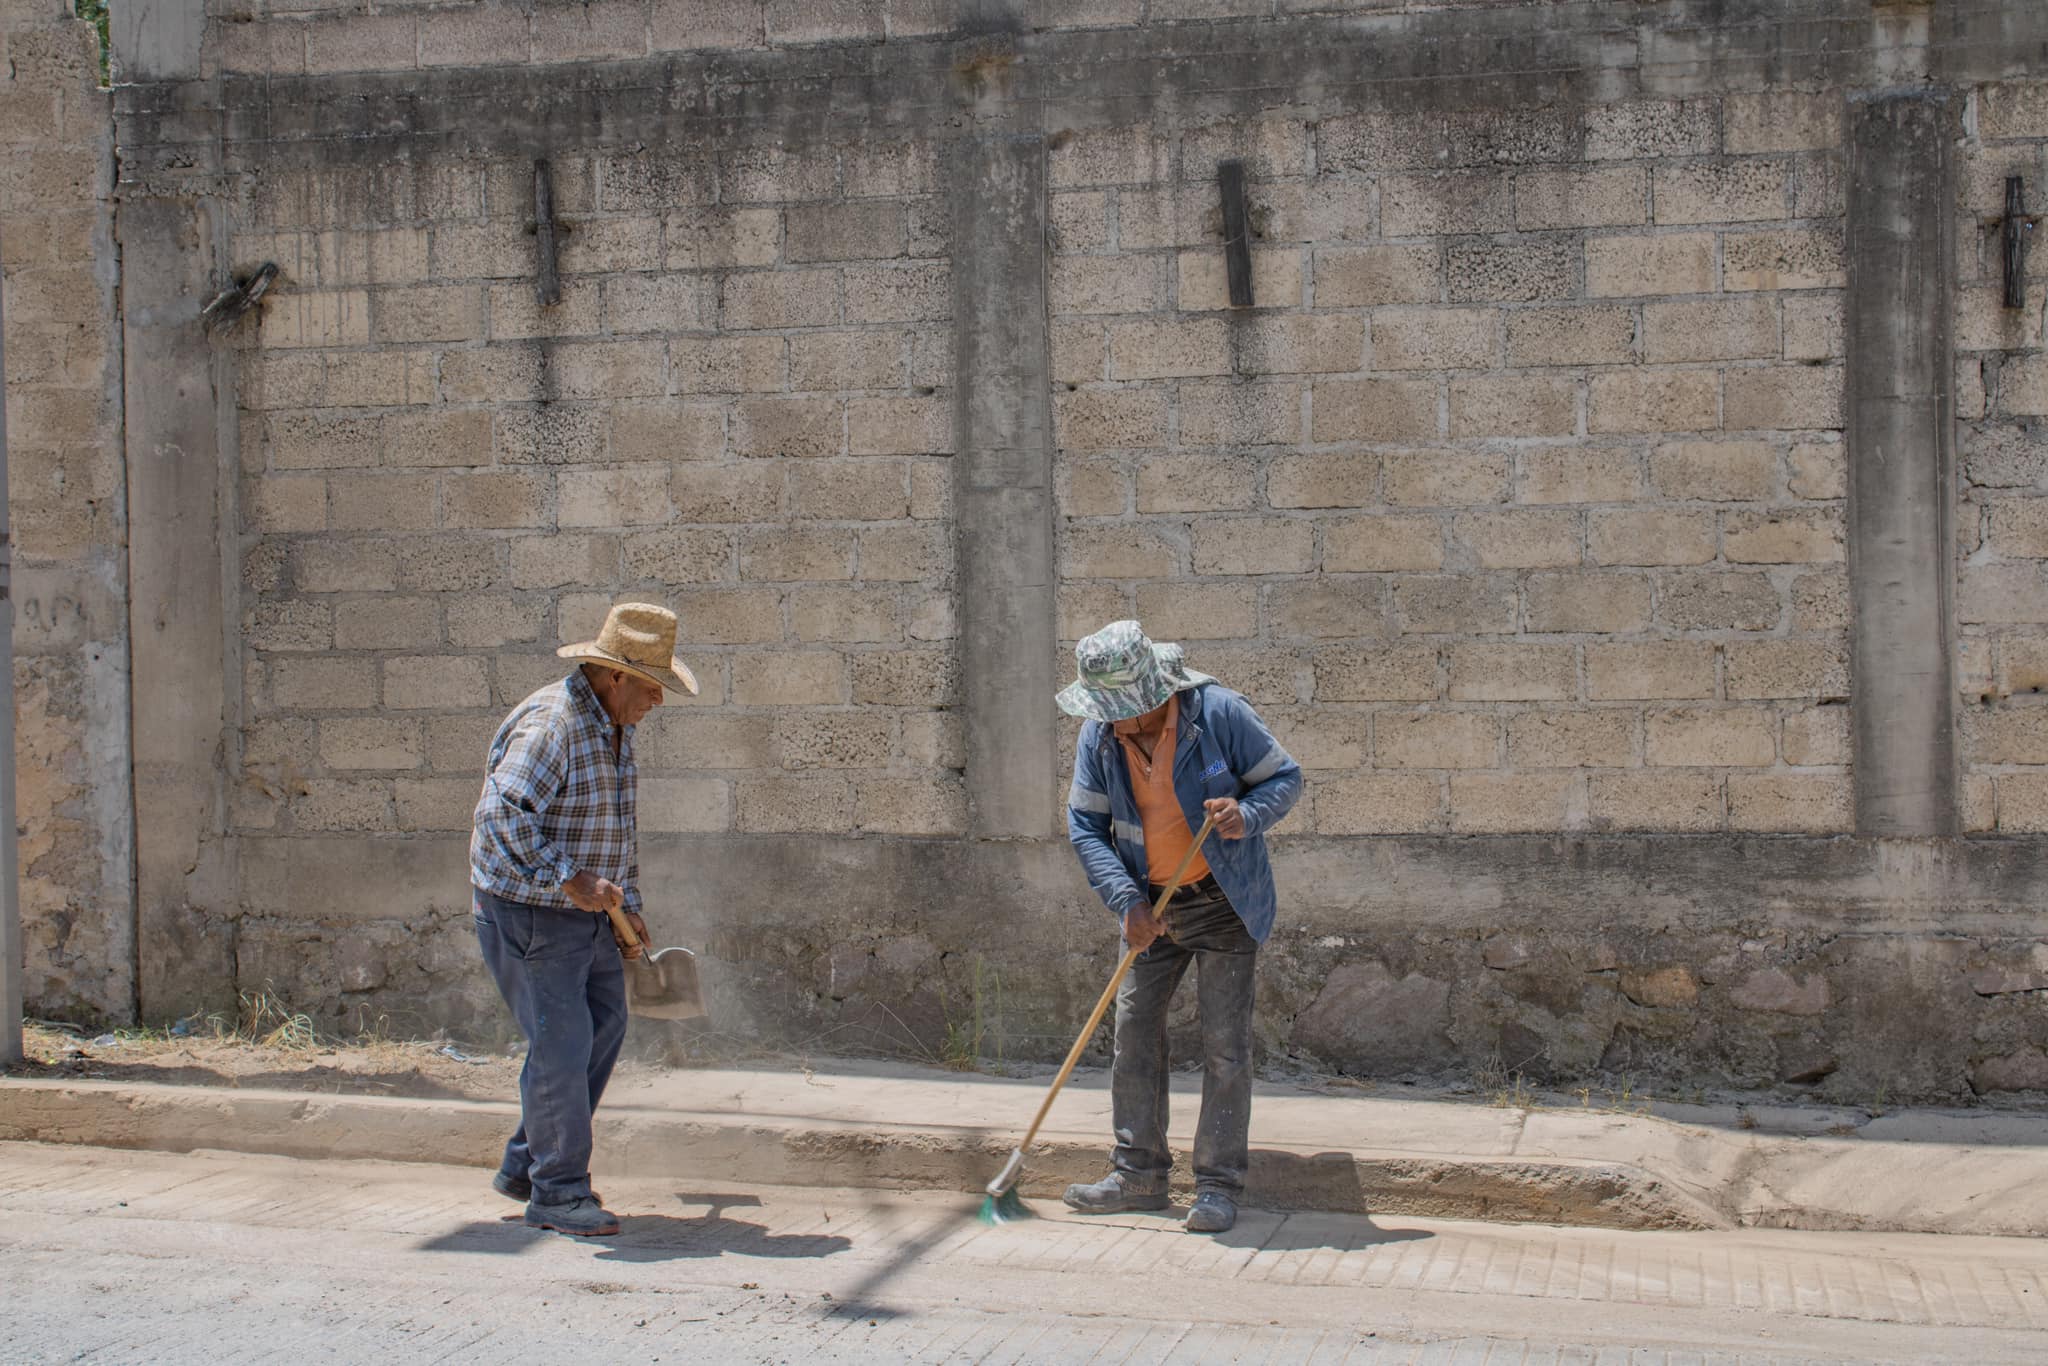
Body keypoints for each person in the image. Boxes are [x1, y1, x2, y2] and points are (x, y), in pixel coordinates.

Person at [1057, 620, 1304, 1235]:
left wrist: (1245, 813)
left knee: (1225, 1048)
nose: (1111, 723)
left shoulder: (1218, 714)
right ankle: (1137, 1174)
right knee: (1135, 1035)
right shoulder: (1101, 739)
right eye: (1105, 713)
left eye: (1122, 712)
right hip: (1149, 908)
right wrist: (1126, 902)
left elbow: (1285, 778)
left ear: (1153, 697)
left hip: (1225, 900)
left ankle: (1218, 1185)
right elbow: (1085, 827)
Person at [469, 602, 698, 1237]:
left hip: (592, 912)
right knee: (562, 1045)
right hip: (532, 911)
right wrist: (570, 878)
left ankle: (528, 1163)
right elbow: (501, 819)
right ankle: (559, 1191)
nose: (657, 702)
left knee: (602, 1027)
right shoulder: (555, 726)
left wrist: (631, 905)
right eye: (653, 689)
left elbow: (614, 829)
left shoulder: (614, 728)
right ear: (614, 676)